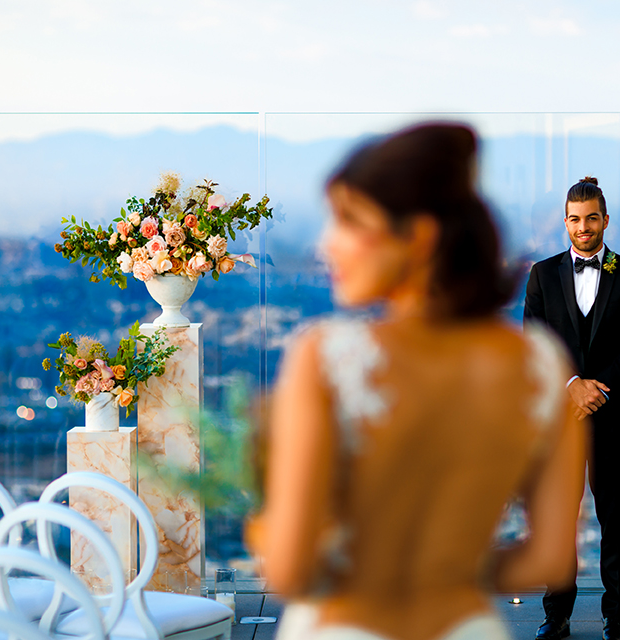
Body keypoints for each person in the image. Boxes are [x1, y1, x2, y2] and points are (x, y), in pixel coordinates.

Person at [250, 123, 586, 640]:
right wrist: (444, 570)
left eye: (349, 221)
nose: (327, 244)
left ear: (421, 236)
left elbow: (290, 571)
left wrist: (267, 528)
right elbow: (551, 558)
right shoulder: (542, 364)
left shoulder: (327, 358)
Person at [523, 177, 620, 640]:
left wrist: (598, 390)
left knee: (615, 521)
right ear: (565, 222)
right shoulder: (541, 273)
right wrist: (572, 386)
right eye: (575, 219)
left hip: (613, 415)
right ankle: (555, 617)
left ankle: (616, 620)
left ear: (605, 220)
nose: (584, 227)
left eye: (592, 218)